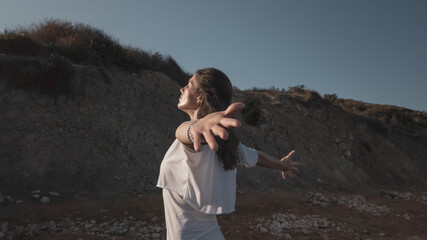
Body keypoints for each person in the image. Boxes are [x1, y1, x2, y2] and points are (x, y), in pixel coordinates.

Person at [156, 68, 302, 239]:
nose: (182, 88)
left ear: (200, 97)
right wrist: (280, 165)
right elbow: (257, 157)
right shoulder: (225, 143)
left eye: (188, 85)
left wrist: (195, 128)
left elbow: (185, 133)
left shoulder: (197, 137)